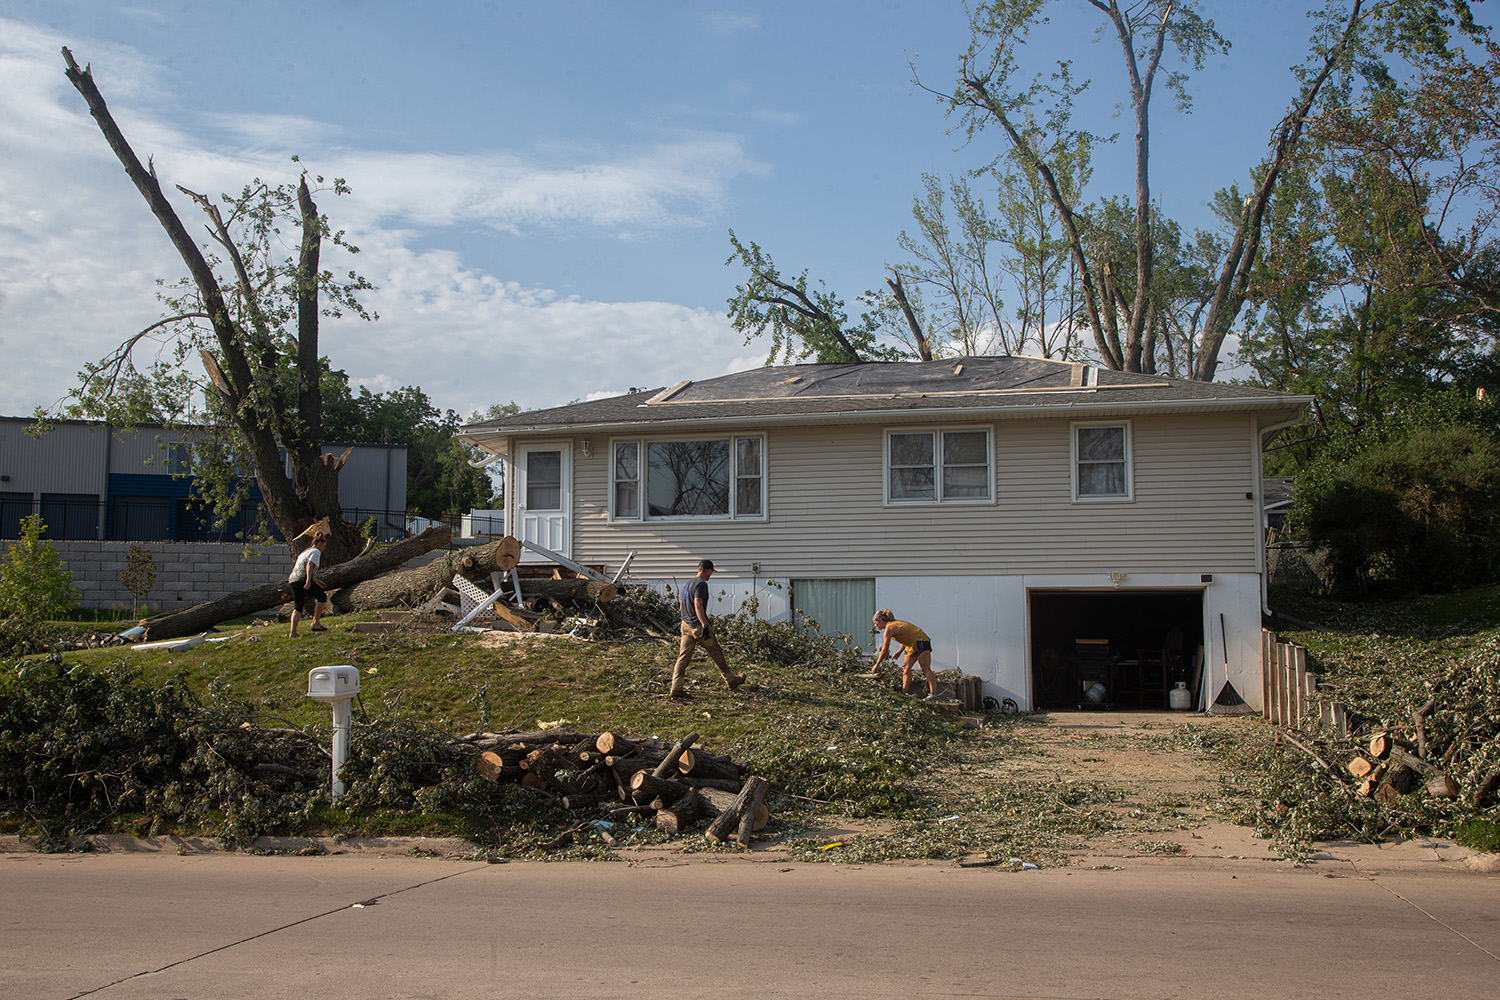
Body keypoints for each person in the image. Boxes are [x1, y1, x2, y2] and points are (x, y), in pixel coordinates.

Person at [670, 559, 745, 698]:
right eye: (711, 572)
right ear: (708, 570)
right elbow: (698, 604)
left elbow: (681, 604)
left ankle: (676, 687)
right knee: (716, 652)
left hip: (685, 625)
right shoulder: (701, 584)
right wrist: (704, 624)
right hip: (698, 626)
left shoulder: (688, 583)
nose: (711, 575)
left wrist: (685, 618)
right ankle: (731, 680)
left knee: (683, 657)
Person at [871, 608, 939, 700]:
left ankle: (933, 694)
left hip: (921, 641)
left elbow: (884, 650)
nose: (875, 625)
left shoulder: (889, 628)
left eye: (876, 623)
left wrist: (877, 664)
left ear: (882, 621)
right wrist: (899, 652)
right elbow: (906, 637)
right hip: (910, 644)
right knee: (906, 668)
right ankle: (904, 693)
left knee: (925, 668)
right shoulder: (894, 625)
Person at [288, 534, 330, 637]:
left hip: (293, 579)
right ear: (319, 544)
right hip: (302, 580)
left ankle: (293, 632)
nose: (323, 549)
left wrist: (316, 581)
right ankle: (316, 623)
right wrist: (308, 580)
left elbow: (303, 567)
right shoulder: (316, 552)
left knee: (298, 606)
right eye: (323, 546)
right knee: (322, 597)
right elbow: (309, 565)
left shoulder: (305, 552)